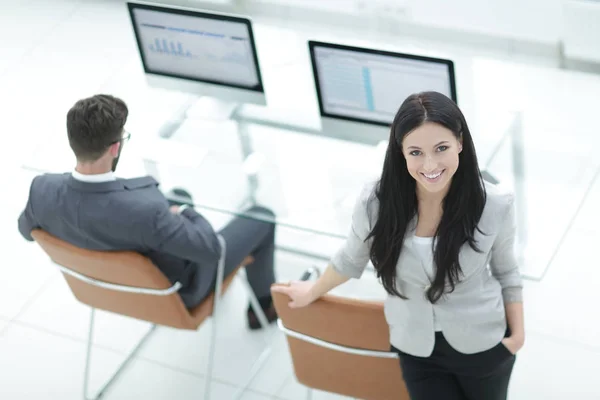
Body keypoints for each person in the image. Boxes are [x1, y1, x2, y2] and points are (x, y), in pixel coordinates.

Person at [273, 91, 524, 400]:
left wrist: (517, 336)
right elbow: (350, 258)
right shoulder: (376, 203)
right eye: (416, 152)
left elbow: (507, 272)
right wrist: (311, 291)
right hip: (416, 346)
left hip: (482, 343)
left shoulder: (494, 204)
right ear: (401, 152)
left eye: (441, 148)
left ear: (460, 142)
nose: (429, 164)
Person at [18, 94, 277, 330]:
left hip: (106, 289)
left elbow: (28, 231)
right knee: (261, 215)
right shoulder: (147, 211)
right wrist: (186, 212)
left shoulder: (42, 190)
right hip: (181, 291)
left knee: (177, 194)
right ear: (115, 148)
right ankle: (262, 308)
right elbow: (212, 248)